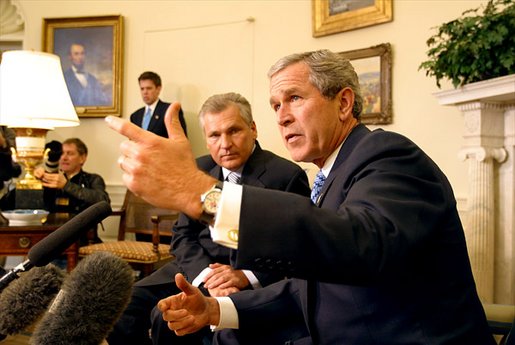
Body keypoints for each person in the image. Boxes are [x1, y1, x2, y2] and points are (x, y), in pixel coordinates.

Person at [106, 50, 495, 344]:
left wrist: (202, 194)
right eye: (276, 105)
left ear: (343, 103)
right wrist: (214, 309)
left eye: (294, 98)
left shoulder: (388, 155)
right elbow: (308, 289)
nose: (282, 116)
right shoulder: (331, 174)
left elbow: (361, 243)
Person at [107, 92, 310, 345]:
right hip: (195, 269)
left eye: (233, 131)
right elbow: (182, 236)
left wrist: (245, 275)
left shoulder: (286, 175)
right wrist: (204, 274)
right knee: (124, 304)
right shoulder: (198, 169)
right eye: (214, 135)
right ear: (206, 138)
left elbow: (295, 248)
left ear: (253, 129)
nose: (225, 144)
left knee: (166, 317)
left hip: (246, 275)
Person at [36, 138, 110, 246]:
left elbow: (103, 201)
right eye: (61, 154)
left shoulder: (93, 179)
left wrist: (66, 185)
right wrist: (35, 181)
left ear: (82, 158)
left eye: (70, 154)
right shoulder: (50, 177)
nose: (64, 158)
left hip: (81, 237)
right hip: (50, 237)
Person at [130, 71, 187, 138]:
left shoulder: (170, 110)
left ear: (158, 89)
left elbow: (180, 141)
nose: (145, 92)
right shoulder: (135, 116)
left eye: (149, 88)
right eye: (142, 89)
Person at [63, 42, 110, 106]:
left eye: (82, 54)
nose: (80, 57)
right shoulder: (63, 78)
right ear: (70, 57)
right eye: (76, 54)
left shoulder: (93, 79)